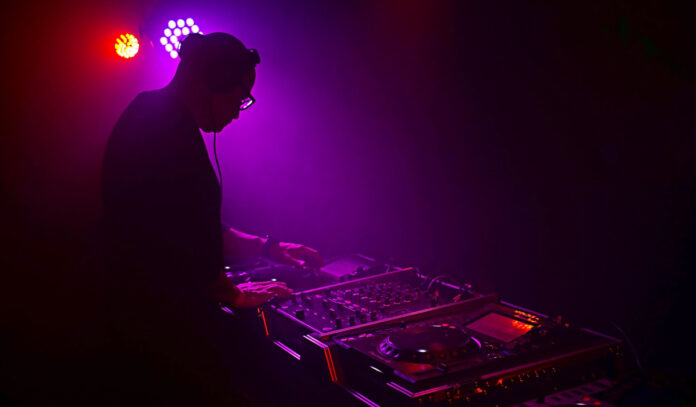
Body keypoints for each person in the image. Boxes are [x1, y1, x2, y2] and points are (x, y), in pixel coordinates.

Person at [101, 32, 322, 406]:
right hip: (161, 332)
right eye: (239, 95)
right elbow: (171, 236)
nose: (238, 109)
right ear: (212, 80)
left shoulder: (154, 115)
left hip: (144, 322)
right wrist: (230, 293)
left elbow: (195, 224)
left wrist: (269, 247)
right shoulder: (164, 130)